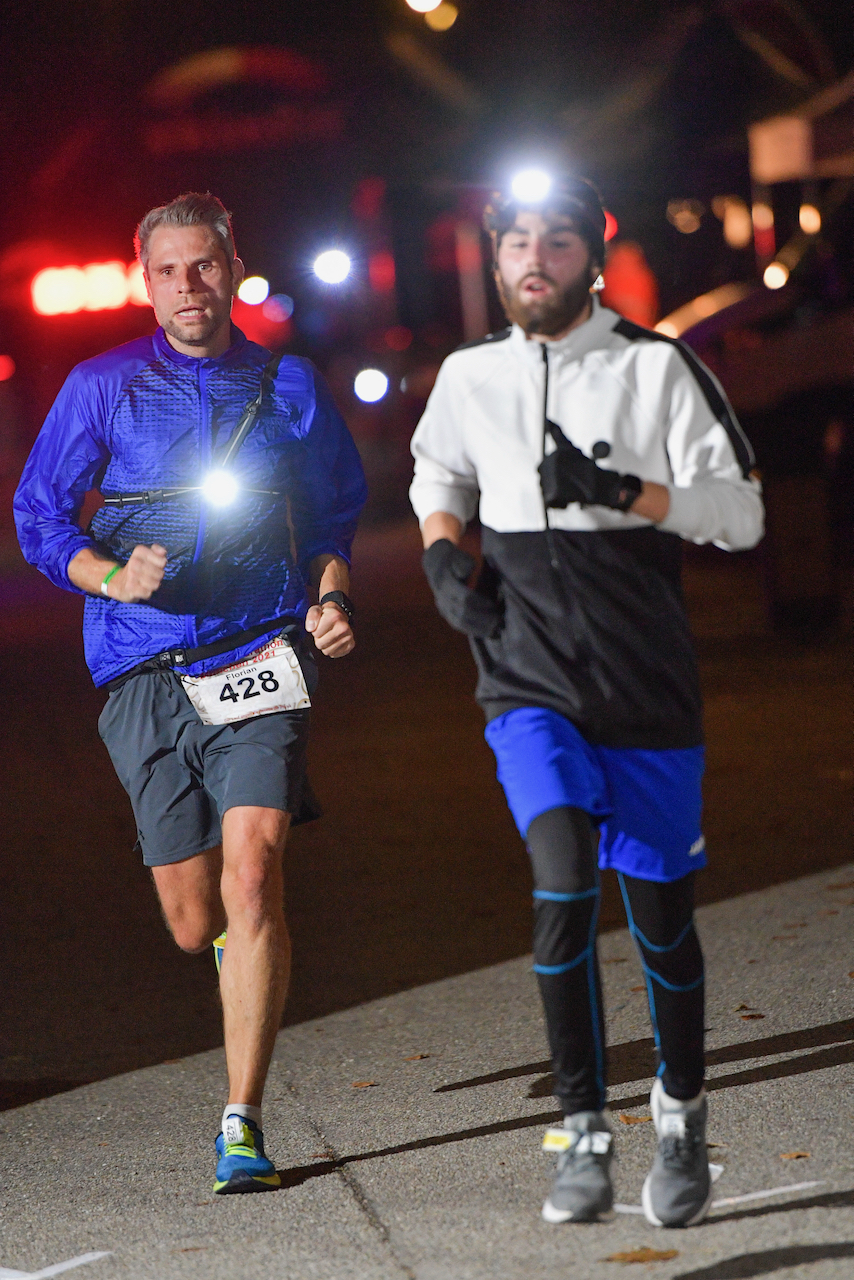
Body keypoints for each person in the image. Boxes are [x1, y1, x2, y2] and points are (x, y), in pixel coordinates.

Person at [410, 176, 763, 1228]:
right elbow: (438, 469)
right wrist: (440, 554)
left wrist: (624, 493)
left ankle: (681, 1113)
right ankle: (583, 1133)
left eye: (553, 241)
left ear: (591, 254)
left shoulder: (655, 368)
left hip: (645, 686)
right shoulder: (469, 374)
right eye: (513, 241)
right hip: (527, 679)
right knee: (561, 879)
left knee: (660, 922)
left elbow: (740, 513)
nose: (531, 259)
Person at [15, 192, 367, 1194]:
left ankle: (241, 1121)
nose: (188, 287)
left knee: (252, 875)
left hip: (258, 652)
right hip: (141, 665)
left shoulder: (289, 383)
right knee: (190, 916)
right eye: (168, 270)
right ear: (146, 279)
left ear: (232, 265)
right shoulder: (101, 385)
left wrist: (332, 598)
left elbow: (336, 513)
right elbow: (39, 510)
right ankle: (233, 956)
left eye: (203, 266)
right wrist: (105, 574)